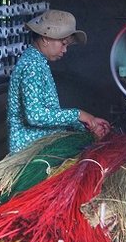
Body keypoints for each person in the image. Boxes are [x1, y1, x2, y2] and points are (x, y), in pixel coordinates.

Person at [7, 9, 110, 152]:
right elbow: (34, 116)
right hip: (30, 153)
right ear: (45, 38)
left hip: (42, 146)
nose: (65, 50)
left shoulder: (38, 62)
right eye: (63, 43)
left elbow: (49, 112)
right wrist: (79, 114)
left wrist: (87, 124)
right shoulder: (32, 66)